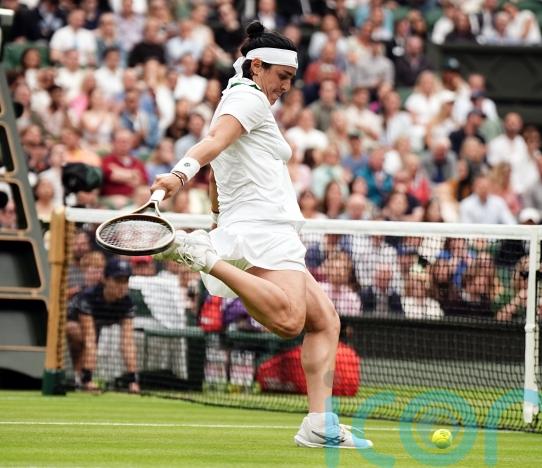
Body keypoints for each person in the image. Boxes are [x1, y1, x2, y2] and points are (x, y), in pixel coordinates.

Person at [150, 21, 372, 449]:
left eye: (291, 79)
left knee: (325, 320)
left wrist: (217, 217)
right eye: (281, 76)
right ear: (257, 67)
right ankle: (202, 256)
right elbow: (213, 143)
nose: (286, 87)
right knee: (290, 321)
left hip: (255, 224)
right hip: (264, 227)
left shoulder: (239, 99)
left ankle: (319, 424)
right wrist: (179, 175)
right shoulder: (247, 98)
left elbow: (220, 167)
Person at [66, 258, 140, 393]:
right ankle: (81, 377)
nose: (122, 286)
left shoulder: (127, 303)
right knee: (79, 334)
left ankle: (80, 378)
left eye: (125, 281)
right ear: (105, 279)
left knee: (92, 338)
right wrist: (89, 380)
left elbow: (128, 342)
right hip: (68, 327)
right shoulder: (89, 297)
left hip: (95, 327)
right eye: (117, 280)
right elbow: (90, 339)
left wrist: (133, 381)